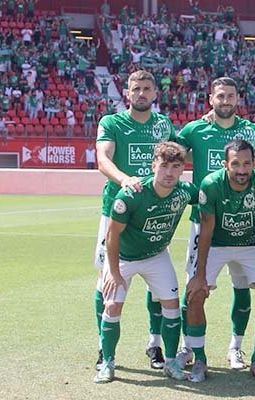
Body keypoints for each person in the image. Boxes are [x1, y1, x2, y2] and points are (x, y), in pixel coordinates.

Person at [175, 77, 255, 370]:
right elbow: (170, 155)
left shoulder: (251, 132)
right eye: (220, 96)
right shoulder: (195, 129)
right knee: (193, 288)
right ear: (211, 99)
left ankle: (236, 348)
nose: (225, 101)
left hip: (246, 229)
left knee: (243, 289)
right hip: (205, 223)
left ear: (237, 99)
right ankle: (188, 348)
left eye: (230, 95)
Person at [94, 70, 177, 372]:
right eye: (136, 89)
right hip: (116, 212)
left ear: (156, 93)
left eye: (147, 89)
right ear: (127, 93)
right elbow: (103, 159)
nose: (141, 94)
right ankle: (105, 349)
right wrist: (124, 179)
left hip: (153, 213)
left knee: (156, 283)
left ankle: (155, 343)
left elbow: (180, 153)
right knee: (106, 281)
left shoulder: (164, 125)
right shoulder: (112, 123)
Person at [95, 141, 195, 384]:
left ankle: (171, 362)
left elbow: (210, 198)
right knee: (112, 306)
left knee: (171, 305)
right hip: (123, 258)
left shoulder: (185, 192)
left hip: (156, 256)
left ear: (183, 169)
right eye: (164, 166)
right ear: (153, 166)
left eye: (175, 167)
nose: (169, 173)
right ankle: (107, 362)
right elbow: (112, 234)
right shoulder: (132, 194)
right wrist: (115, 273)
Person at [184, 140, 255, 383]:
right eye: (235, 164)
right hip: (216, 244)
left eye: (247, 163)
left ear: (254, 163)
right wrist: (200, 274)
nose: (242, 170)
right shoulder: (212, 184)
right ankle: (200, 359)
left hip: (250, 245)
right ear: (225, 164)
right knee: (195, 294)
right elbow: (206, 229)